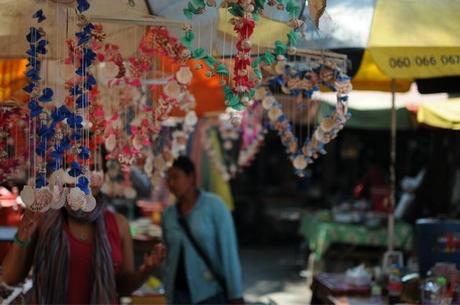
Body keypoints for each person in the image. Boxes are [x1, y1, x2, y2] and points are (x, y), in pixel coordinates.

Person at [1, 178, 166, 304]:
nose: (83, 179)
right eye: (77, 170)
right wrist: (23, 235)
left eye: (93, 170)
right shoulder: (45, 218)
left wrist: (145, 271)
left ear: (102, 178)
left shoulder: (119, 224)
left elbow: (122, 286)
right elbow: (10, 278)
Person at [162, 156, 244, 304]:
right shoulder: (168, 215)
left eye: (175, 177)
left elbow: (229, 253)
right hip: (177, 295)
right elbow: (167, 257)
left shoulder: (215, 206)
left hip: (210, 293)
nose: (171, 183)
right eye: (168, 179)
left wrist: (236, 294)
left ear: (191, 177)